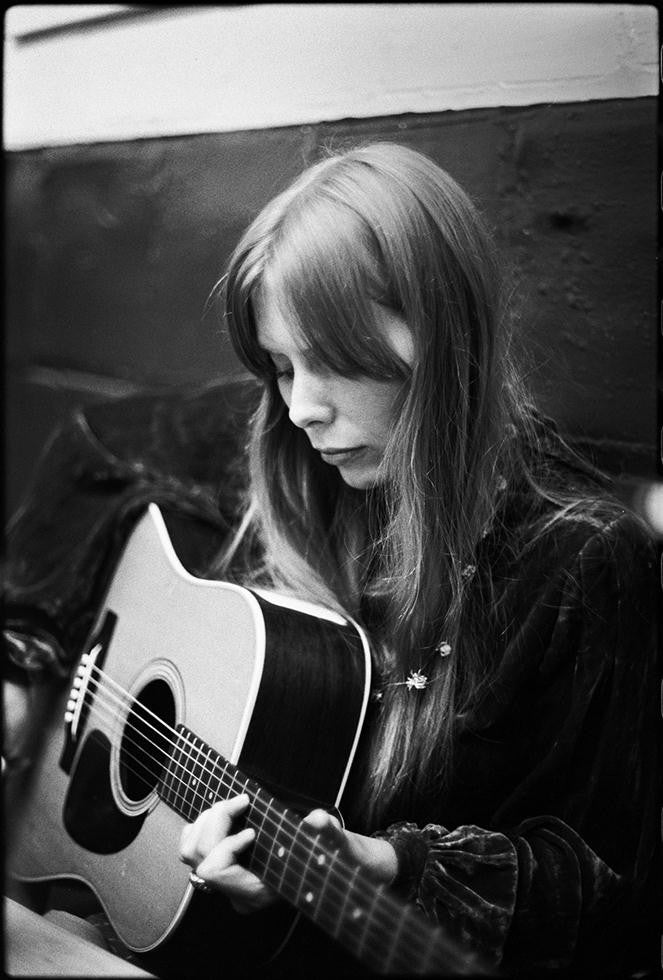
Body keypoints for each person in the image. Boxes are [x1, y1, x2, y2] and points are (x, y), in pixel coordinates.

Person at [4, 142, 659, 978]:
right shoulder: (284, 455)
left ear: (444, 340)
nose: (301, 409)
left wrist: (389, 863)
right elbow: (98, 446)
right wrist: (32, 663)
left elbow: (605, 893)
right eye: (278, 366)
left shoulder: (577, 561)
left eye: (340, 363)